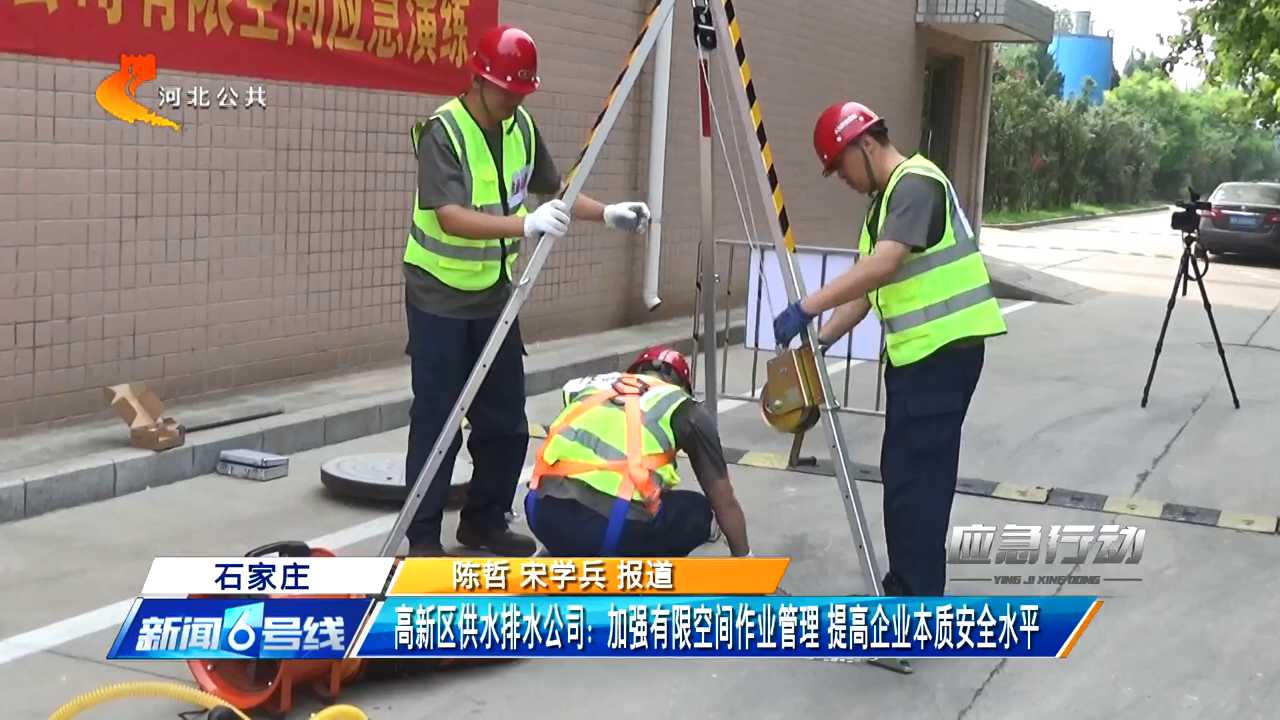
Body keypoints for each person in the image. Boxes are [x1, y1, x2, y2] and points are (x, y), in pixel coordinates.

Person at [402, 24, 654, 557]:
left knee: (505, 420)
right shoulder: (443, 132)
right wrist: (525, 225)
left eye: (522, 91)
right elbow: (449, 216)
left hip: (495, 297)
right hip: (439, 298)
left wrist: (607, 213)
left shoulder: (520, 127)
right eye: (507, 90)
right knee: (439, 421)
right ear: (479, 80)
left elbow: (555, 191)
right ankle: (422, 536)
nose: (515, 100)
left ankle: (484, 521)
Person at [771, 101, 1007, 596]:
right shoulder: (885, 203)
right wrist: (821, 340)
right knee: (904, 477)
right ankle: (909, 586)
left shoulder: (916, 185)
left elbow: (883, 265)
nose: (842, 178)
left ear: (866, 144)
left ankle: (913, 598)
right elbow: (865, 294)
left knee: (917, 484)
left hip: (941, 355)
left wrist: (806, 306)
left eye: (840, 166)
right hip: (920, 359)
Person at [523, 346, 752, 558]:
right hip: (609, 532)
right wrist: (746, 560)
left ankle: (557, 550)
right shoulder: (685, 408)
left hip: (540, 513)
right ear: (682, 386)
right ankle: (632, 573)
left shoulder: (589, 387)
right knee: (698, 511)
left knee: (581, 483)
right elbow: (724, 500)